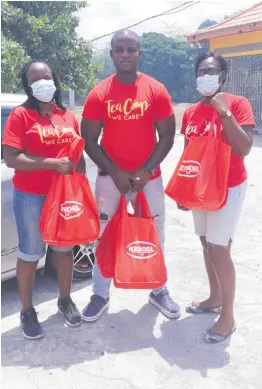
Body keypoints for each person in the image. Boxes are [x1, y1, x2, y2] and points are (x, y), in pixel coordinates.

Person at [80, 29, 180, 322]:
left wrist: (146, 170)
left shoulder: (155, 90)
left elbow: (167, 135)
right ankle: (100, 293)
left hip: (149, 177)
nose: (125, 54)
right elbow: (89, 139)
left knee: (156, 233)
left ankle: (159, 289)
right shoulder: (99, 93)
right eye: (120, 49)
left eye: (131, 49)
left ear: (139, 53)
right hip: (110, 179)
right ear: (111, 53)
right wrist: (115, 172)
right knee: (104, 234)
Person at [2, 60, 85, 339]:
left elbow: (78, 155)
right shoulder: (20, 116)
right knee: (30, 253)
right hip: (31, 196)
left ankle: (65, 299)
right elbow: (12, 158)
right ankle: (27, 310)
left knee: (63, 250)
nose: (42, 82)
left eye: (46, 77)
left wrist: (81, 189)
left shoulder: (67, 116)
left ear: (55, 79)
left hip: (64, 195)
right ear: (28, 85)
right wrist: (52, 164)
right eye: (35, 79)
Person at [179, 52, 255, 343]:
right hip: (200, 188)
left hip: (229, 185)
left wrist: (224, 113)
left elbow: (245, 147)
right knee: (205, 244)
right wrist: (184, 191)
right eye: (200, 71)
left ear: (223, 74)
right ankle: (214, 298)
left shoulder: (237, 104)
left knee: (219, 247)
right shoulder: (191, 112)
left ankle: (228, 317)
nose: (205, 76)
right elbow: (189, 156)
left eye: (211, 71)